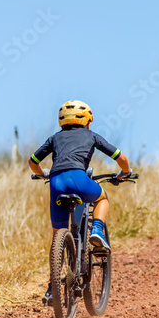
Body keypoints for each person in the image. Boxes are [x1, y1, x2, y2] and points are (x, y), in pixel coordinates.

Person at [28, 100, 131, 305]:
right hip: (79, 179)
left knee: (57, 234)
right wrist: (124, 173)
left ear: (61, 122)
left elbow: (32, 162)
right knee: (102, 198)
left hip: (56, 184)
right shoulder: (91, 135)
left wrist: (42, 174)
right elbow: (121, 158)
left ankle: (52, 286)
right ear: (87, 122)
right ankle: (97, 231)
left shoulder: (54, 138)